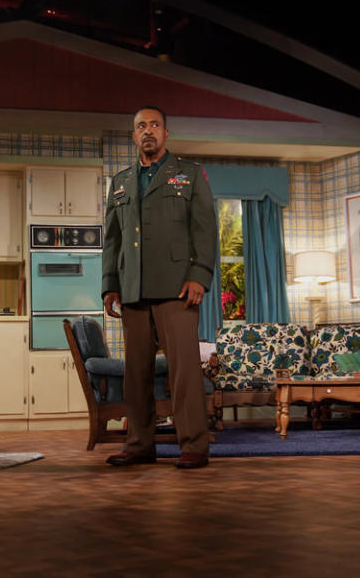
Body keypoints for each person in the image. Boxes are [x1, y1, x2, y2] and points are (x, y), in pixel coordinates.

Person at [102, 106, 217, 469]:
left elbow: (205, 230)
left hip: (177, 291)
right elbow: (113, 239)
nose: (148, 131)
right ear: (134, 136)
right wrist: (110, 285)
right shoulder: (119, 182)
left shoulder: (190, 175)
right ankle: (138, 446)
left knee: (184, 374)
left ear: (166, 133)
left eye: (154, 125)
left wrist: (199, 275)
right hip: (133, 291)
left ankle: (194, 446)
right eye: (140, 126)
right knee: (136, 376)